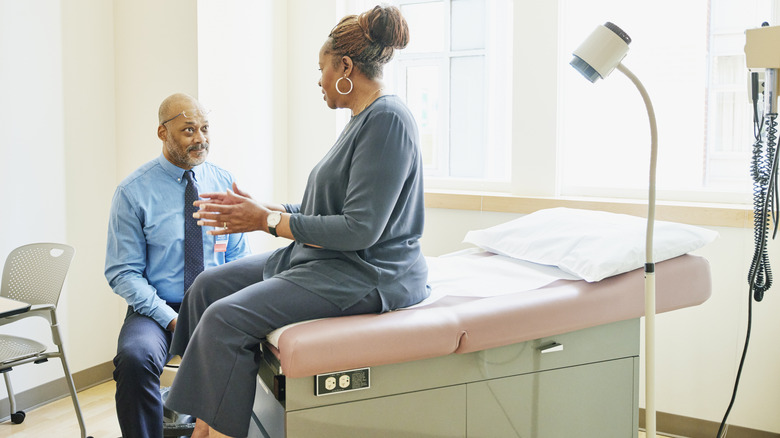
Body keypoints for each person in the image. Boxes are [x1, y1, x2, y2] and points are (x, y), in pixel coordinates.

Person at [164, 6, 428, 438]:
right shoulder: (360, 121)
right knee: (205, 288)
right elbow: (328, 212)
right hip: (329, 259)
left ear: (345, 66)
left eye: (321, 68)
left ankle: (209, 433)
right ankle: (196, 421)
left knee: (225, 318)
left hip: (369, 273)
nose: (319, 79)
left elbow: (360, 230)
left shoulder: (388, 121)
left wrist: (267, 221)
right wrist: (261, 211)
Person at [104, 93, 251, 438]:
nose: (200, 139)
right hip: (158, 309)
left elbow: (237, 258)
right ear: (162, 133)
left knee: (252, 353)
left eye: (204, 128)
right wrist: (170, 319)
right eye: (188, 130)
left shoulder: (223, 182)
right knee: (134, 359)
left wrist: (224, 307)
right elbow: (123, 272)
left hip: (216, 303)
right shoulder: (133, 192)